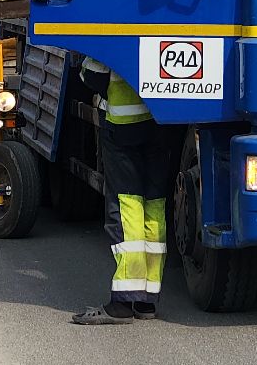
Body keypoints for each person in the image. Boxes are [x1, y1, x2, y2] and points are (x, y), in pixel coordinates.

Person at [71, 59, 183, 325]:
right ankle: (146, 301)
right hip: (161, 125)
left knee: (126, 204)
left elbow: (94, 76)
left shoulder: (117, 17)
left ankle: (122, 303)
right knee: (154, 205)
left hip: (123, 125)